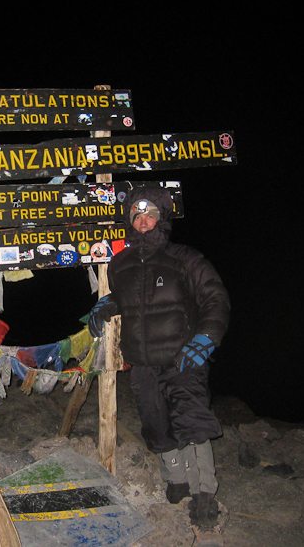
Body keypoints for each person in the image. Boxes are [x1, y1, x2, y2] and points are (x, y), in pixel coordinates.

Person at [87, 186, 230, 530]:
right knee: (156, 422)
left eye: (150, 214)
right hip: (143, 361)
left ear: (162, 218)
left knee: (192, 420)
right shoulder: (120, 265)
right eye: (137, 216)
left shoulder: (186, 258)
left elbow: (216, 298)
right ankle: (176, 478)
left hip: (184, 357)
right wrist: (107, 304)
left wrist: (205, 340)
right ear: (130, 223)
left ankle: (204, 492)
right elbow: (123, 298)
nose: (144, 220)